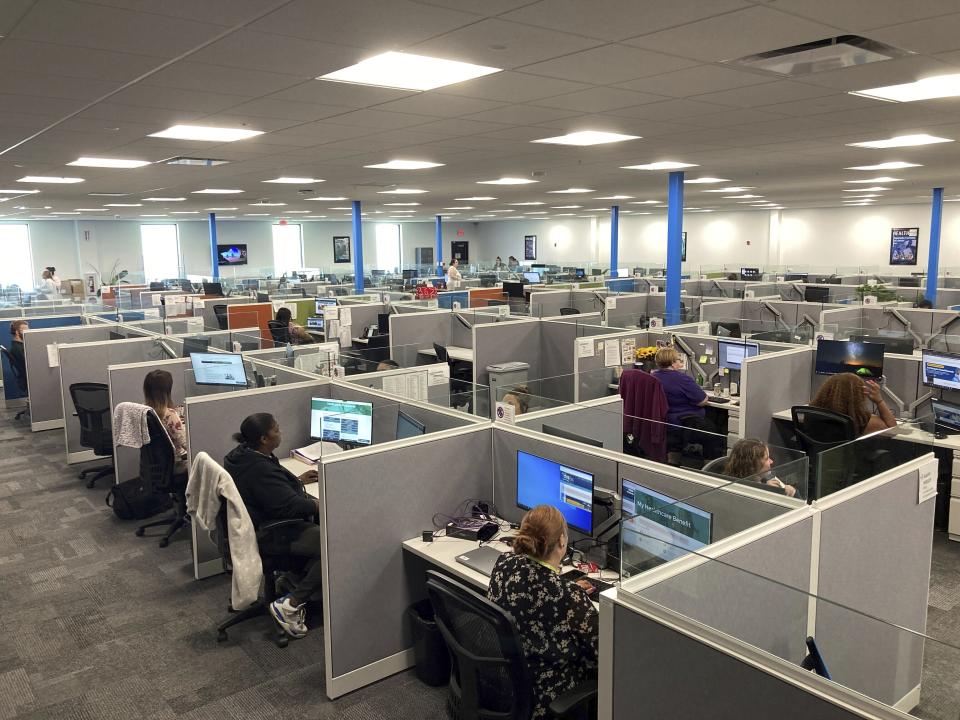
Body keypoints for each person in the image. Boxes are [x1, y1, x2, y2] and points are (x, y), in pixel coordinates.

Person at [488, 505, 598, 719]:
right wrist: (571, 590)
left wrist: (567, 586)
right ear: (562, 541)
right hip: (548, 695)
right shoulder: (568, 597)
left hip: (505, 681)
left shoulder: (503, 564)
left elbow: (535, 586)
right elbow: (603, 651)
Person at [224, 413, 321, 639]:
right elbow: (289, 506)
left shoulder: (244, 455)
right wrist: (320, 505)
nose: (281, 432)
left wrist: (296, 481)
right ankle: (291, 603)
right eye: (276, 430)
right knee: (332, 540)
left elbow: (272, 487)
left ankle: (292, 581)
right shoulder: (259, 468)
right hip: (271, 532)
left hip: (256, 524)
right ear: (264, 438)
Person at [810, 373, 897, 436]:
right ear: (857, 396)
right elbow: (892, 428)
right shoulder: (860, 420)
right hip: (846, 460)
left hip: (816, 459)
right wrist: (879, 401)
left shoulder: (811, 413)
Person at [143, 370, 188, 474]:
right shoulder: (170, 415)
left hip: (157, 464)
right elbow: (188, 445)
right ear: (167, 392)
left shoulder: (144, 410)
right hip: (177, 464)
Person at [651, 346, 708, 426]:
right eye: (679, 359)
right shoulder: (682, 379)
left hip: (663, 421)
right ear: (673, 363)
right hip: (684, 421)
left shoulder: (652, 377)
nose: (680, 361)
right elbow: (702, 401)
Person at [723, 439, 796, 497]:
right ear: (752, 465)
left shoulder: (765, 479)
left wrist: (765, 486)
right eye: (767, 458)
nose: (771, 461)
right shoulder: (737, 492)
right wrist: (766, 491)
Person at [8, 320, 28, 389]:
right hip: (29, 378)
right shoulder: (18, 349)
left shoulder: (18, 346)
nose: (27, 333)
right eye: (25, 331)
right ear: (17, 332)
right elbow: (29, 365)